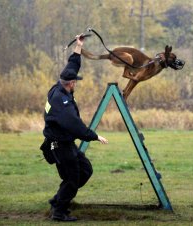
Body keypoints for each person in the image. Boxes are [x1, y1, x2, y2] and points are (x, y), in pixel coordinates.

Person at [41, 34, 108, 222]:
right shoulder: (61, 101)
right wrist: (94, 136)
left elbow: (72, 66)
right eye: (75, 82)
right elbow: (75, 125)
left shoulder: (60, 84)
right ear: (71, 84)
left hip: (66, 143)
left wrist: (78, 46)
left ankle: (58, 200)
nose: (76, 83)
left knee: (85, 171)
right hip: (59, 145)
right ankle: (59, 211)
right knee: (72, 178)